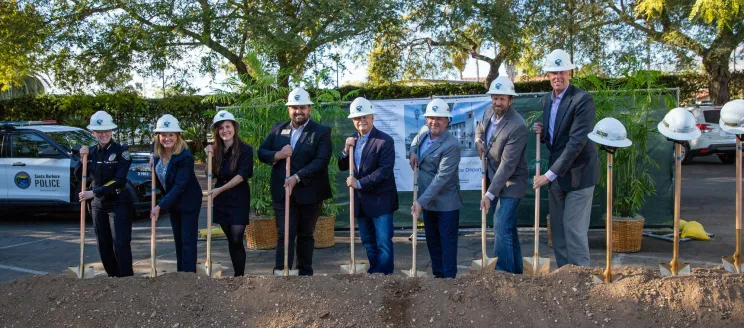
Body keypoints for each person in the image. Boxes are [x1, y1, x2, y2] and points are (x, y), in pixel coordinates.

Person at [532, 49, 599, 267]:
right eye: (553, 72)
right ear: (548, 75)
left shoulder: (582, 100)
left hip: (579, 175)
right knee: (558, 232)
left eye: (562, 72)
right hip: (557, 177)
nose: (557, 76)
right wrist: (543, 133)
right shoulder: (547, 100)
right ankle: (564, 280)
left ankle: (582, 281)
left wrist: (548, 176)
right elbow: (558, 137)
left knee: (573, 230)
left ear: (570, 73)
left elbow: (576, 143)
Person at [258, 87, 333, 276]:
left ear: (309, 108)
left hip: (309, 192)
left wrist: (297, 177)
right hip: (283, 192)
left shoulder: (321, 132)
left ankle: (304, 273)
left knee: (306, 234)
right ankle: (281, 271)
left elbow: (321, 160)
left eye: (302, 107)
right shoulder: (278, 129)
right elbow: (261, 152)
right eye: (294, 107)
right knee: (285, 234)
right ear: (289, 109)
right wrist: (278, 154)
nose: (298, 111)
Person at [475, 76, 529, 274]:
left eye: (502, 99)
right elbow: (479, 128)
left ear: (510, 100)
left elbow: (507, 166)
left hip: (512, 182)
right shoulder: (489, 111)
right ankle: (516, 273)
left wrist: (489, 195)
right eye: (494, 98)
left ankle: (502, 274)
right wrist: (478, 140)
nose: (497, 102)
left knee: (500, 224)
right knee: (509, 230)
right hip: (494, 177)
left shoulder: (518, 126)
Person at [338, 97, 398, 275]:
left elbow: (384, 171)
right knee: (368, 241)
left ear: (372, 117)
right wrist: (344, 150)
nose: (361, 120)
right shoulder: (353, 140)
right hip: (362, 203)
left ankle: (385, 277)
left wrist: (360, 183)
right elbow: (342, 166)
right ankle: (374, 273)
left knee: (383, 243)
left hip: (381, 201)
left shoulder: (384, 141)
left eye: (364, 116)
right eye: (357, 118)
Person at [75, 111, 134, 277]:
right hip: (98, 204)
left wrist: (93, 192)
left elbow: (118, 180)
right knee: (103, 244)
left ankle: (127, 280)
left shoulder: (122, 152)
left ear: (112, 130)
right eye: (99, 131)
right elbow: (79, 176)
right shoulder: (90, 152)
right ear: (93, 133)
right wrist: (82, 159)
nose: (103, 134)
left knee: (121, 243)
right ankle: (112, 278)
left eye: (106, 130)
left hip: (118, 201)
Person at [409, 98, 463, 278]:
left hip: (445, 203)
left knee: (447, 244)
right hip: (427, 202)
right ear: (426, 119)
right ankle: (438, 280)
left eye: (440, 118)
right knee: (432, 242)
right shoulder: (424, 134)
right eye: (431, 118)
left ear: (447, 121)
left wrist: (420, 202)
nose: (435, 122)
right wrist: (412, 151)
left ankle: (449, 282)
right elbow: (416, 140)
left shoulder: (451, 144)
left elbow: (442, 178)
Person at [150, 114, 203, 273]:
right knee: (178, 240)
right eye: (164, 135)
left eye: (171, 135)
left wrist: (160, 206)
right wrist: (152, 160)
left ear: (177, 136)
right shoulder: (157, 155)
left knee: (187, 241)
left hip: (188, 202)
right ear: (158, 137)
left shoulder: (185, 156)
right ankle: (181, 275)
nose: (167, 138)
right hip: (174, 203)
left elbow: (180, 185)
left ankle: (188, 278)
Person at [205, 110, 254, 277]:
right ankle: (237, 274)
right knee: (230, 239)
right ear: (217, 132)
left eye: (228, 126)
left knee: (237, 238)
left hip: (238, 197)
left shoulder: (245, 150)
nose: (225, 130)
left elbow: (242, 175)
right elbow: (209, 173)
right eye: (221, 128)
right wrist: (208, 156)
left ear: (234, 127)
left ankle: (239, 276)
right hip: (222, 200)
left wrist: (219, 190)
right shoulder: (216, 151)